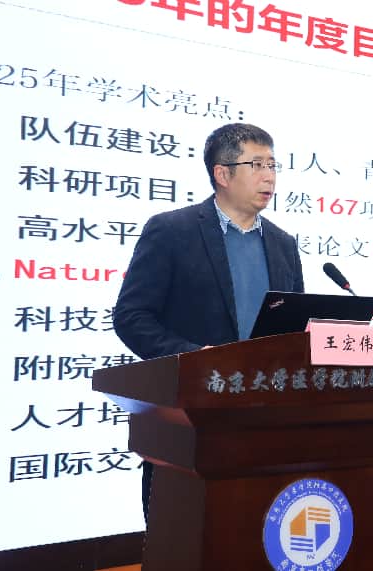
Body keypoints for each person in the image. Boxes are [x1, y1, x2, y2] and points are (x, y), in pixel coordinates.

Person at [113, 122, 304, 521]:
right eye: (257, 164)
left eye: (273, 165)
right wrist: (195, 358)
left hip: (267, 419)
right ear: (222, 174)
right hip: (191, 420)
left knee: (258, 532)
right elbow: (132, 316)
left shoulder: (284, 244)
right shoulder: (172, 231)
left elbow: (293, 328)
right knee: (185, 534)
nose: (269, 176)